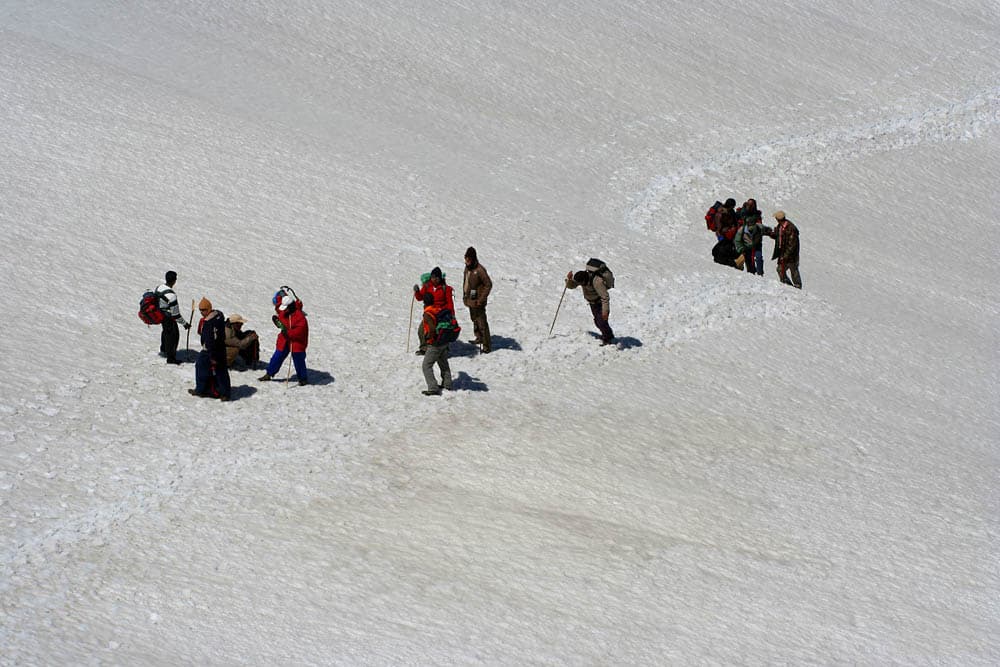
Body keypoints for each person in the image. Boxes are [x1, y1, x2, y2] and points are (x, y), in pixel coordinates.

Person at [259, 289, 310, 385]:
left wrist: (286, 331)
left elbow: (298, 333)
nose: (283, 310)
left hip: (297, 342)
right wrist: (280, 294)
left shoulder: (300, 318)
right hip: (284, 340)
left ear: (290, 307)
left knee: (299, 360)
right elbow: (278, 307)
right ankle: (269, 374)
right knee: (277, 357)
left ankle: (303, 378)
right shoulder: (284, 311)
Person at [189, 297, 231, 401]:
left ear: (209, 308)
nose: (202, 312)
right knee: (222, 371)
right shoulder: (219, 315)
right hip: (221, 348)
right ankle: (225, 393)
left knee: (200, 367)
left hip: (209, 351)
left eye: (204, 310)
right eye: (200, 310)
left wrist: (211, 355)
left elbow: (209, 340)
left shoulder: (208, 322)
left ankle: (200, 390)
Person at [565, 265, 615, 345]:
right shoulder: (581, 279)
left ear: (584, 280)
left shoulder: (597, 282)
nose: (580, 285)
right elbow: (571, 286)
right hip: (592, 303)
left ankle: (608, 339)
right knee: (597, 322)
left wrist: (605, 311)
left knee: (601, 322)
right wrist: (569, 280)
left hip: (600, 303)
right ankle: (608, 335)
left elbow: (605, 297)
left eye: (581, 283)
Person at [413, 267, 455, 355]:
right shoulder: (427, 286)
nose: (434, 279)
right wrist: (417, 291)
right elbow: (420, 297)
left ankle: (443, 349)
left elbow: (450, 303)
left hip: (441, 314)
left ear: (440, 278)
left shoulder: (446, 289)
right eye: (432, 277)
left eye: (436, 277)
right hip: (429, 313)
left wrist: (452, 316)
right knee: (422, 330)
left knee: (441, 332)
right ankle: (424, 348)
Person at [420, 293, 454, 395]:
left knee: (426, 365)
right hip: (444, 341)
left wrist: (428, 338)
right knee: (443, 362)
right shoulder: (438, 309)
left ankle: (433, 387)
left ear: (424, 303)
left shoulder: (427, 313)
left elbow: (432, 328)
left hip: (435, 343)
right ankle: (447, 384)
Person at [462, 247, 493, 353]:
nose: (467, 261)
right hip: (470, 300)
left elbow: (488, 284)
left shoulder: (480, 270)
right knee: (474, 319)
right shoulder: (467, 268)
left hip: (478, 302)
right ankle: (479, 337)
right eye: (466, 258)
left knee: (482, 322)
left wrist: (481, 299)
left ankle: (486, 345)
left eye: (469, 259)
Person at [156, 270, 190, 364]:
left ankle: (164, 349)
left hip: (160, 314)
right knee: (173, 336)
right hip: (168, 317)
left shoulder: (159, 288)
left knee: (166, 332)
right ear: (174, 281)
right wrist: (185, 324)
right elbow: (176, 315)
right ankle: (171, 358)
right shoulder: (172, 296)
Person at [767, 210, 802, 288]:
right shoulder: (780, 226)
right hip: (782, 253)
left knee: (794, 271)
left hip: (791, 256)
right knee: (780, 269)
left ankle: (798, 286)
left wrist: (785, 256)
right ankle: (788, 285)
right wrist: (770, 233)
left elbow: (792, 245)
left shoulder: (791, 228)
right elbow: (778, 236)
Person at [735, 199, 766, 275]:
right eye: (748, 204)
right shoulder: (741, 213)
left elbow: (760, 227)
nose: (750, 206)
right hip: (744, 240)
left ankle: (760, 273)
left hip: (756, 240)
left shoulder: (757, 215)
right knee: (747, 258)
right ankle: (751, 273)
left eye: (751, 205)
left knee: (758, 258)